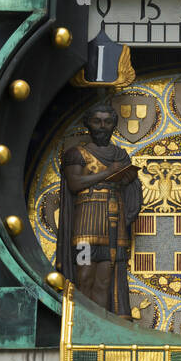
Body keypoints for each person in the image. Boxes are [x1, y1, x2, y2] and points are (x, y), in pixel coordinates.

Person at [56, 102, 142, 315]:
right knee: (84, 273)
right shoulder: (76, 154)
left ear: (113, 125)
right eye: (97, 121)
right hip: (87, 224)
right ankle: (83, 319)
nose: (102, 126)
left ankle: (101, 321)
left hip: (113, 222)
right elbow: (75, 183)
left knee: (106, 278)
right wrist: (107, 173)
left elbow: (129, 183)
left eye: (108, 122)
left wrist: (129, 177)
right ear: (88, 124)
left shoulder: (120, 155)